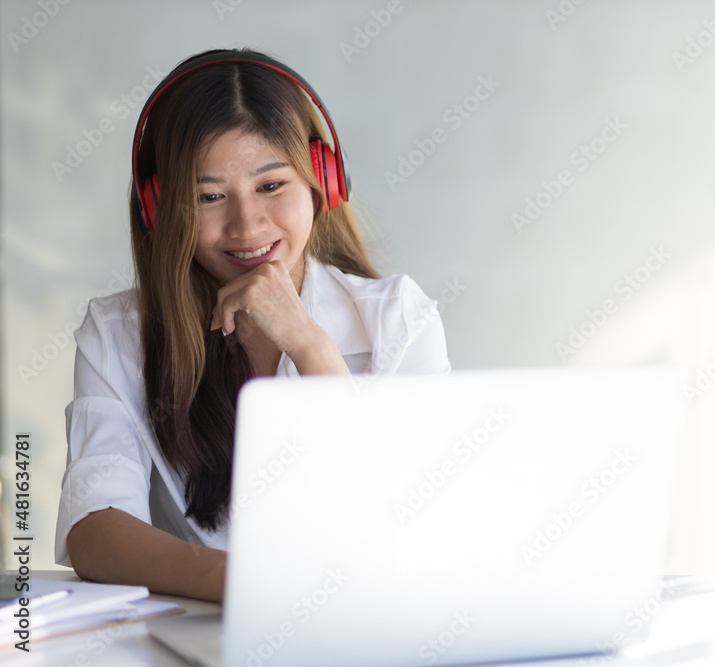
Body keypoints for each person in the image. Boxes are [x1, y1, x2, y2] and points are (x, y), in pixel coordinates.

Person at [53, 47, 450, 602]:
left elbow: (408, 526)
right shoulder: (117, 333)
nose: (246, 225)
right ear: (159, 207)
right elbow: (96, 528)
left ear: (323, 181)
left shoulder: (397, 320)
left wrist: (312, 348)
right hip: (209, 634)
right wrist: (241, 584)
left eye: (271, 186)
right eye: (209, 196)